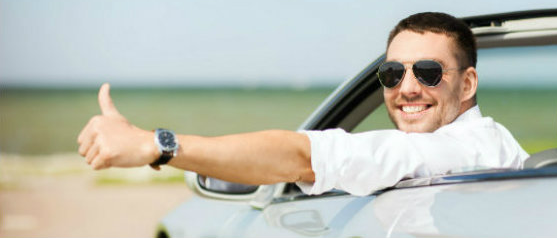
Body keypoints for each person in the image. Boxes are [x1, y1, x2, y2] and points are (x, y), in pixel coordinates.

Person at [77, 12, 529, 196]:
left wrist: (157, 144)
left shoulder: (463, 152)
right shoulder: (496, 144)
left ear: (467, 83)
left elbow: (301, 157)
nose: (407, 87)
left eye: (428, 72)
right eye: (392, 73)